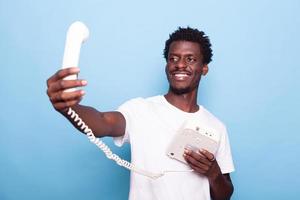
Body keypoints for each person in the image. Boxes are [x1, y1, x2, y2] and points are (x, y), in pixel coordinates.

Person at [46, 27, 234, 200]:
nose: (180, 65)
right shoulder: (140, 109)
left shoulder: (216, 127)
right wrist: (68, 108)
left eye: (190, 59)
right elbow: (102, 122)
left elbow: (224, 195)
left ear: (204, 68)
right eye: (173, 58)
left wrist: (213, 173)